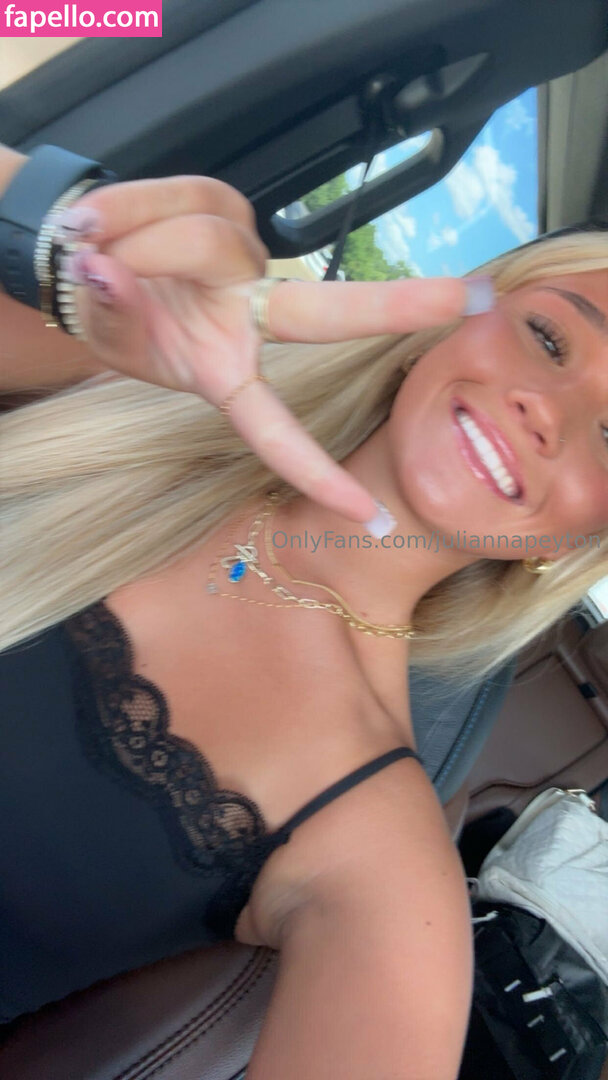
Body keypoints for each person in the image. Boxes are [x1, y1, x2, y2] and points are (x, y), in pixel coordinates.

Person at [1, 143, 607, 1080]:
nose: (547, 409)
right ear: (446, 323)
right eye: (550, 338)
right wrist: (65, 243)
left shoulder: (380, 859)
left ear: (573, 544)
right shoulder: (159, 375)